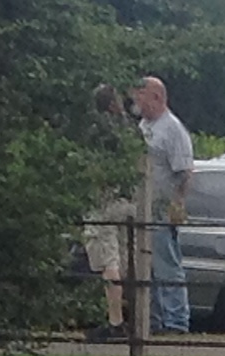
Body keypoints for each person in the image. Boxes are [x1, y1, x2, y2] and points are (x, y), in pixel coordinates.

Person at [131, 75, 193, 334]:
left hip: (160, 209)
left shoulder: (172, 129)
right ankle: (153, 321)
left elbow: (185, 171)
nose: (136, 101)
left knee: (167, 265)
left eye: (140, 96)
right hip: (142, 208)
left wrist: (176, 205)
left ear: (157, 97)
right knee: (148, 268)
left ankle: (176, 322)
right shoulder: (144, 126)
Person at [81, 86, 135, 342]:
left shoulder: (97, 132)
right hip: (129, 199)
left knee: (109, 262)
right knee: (124, 259)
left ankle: (115, 322)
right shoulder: (130, 129)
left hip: (106, 198)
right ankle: (129, 316)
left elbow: (92, 167)